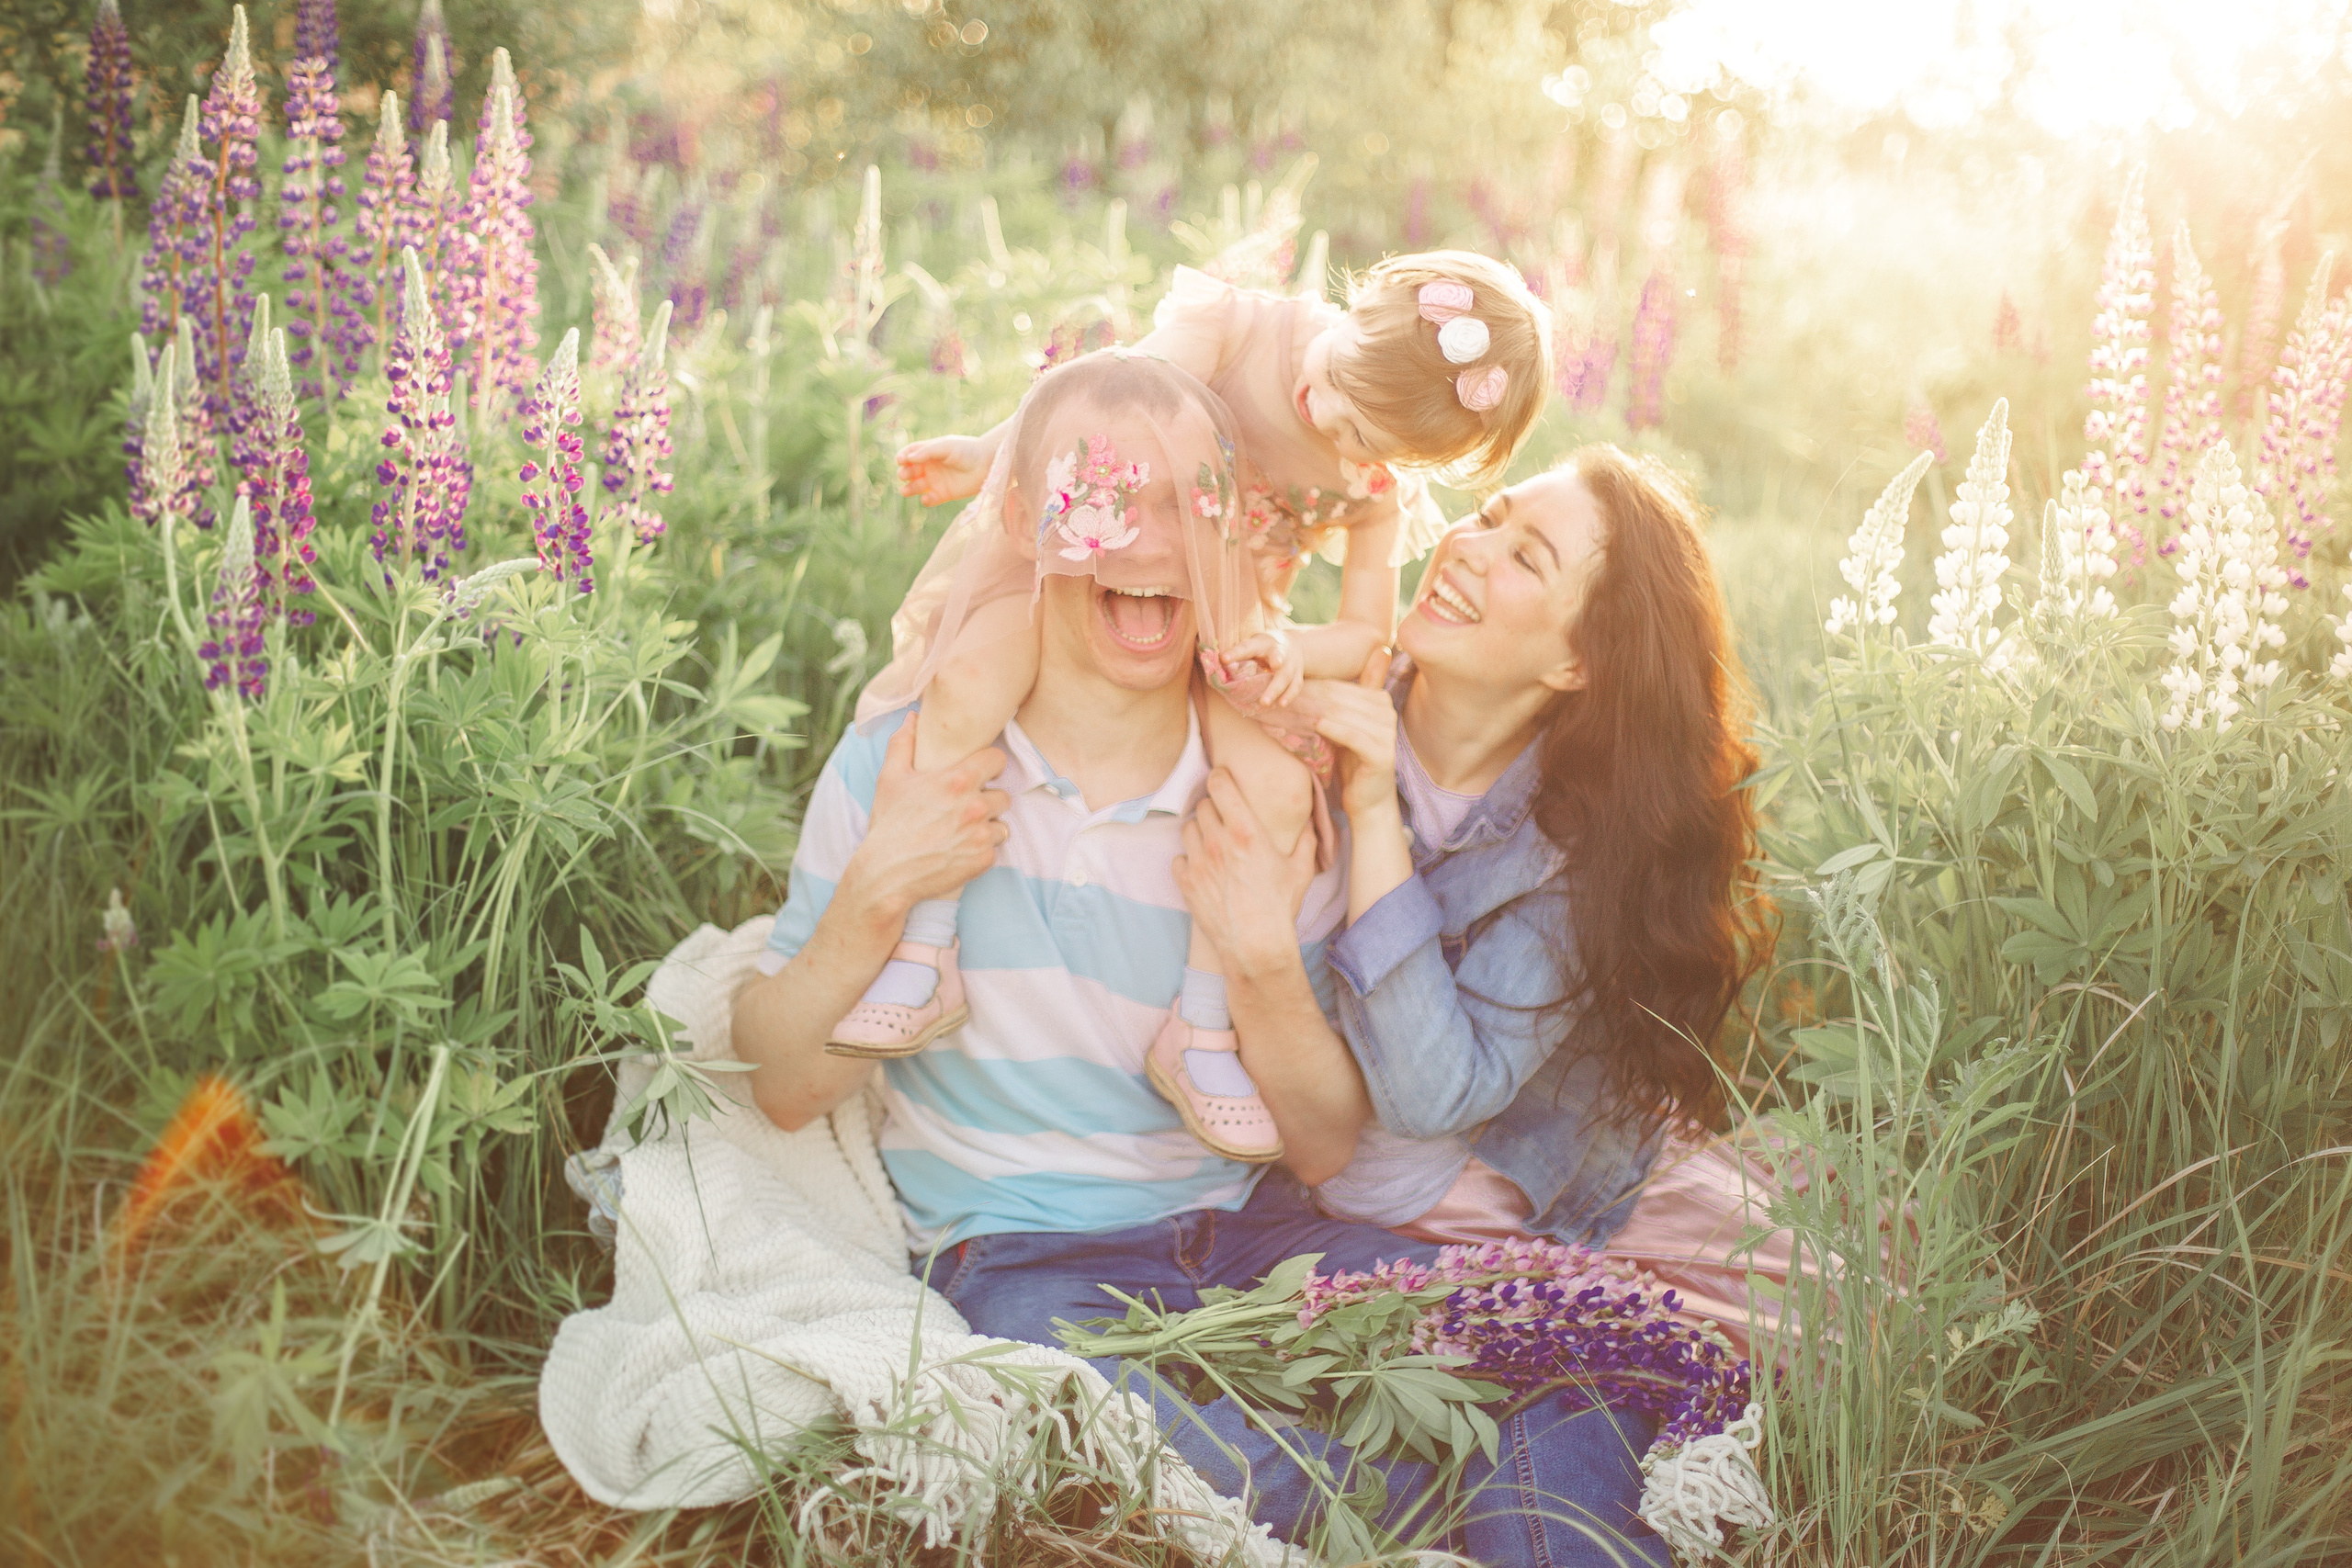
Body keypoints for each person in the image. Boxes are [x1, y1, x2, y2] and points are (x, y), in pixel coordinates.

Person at [733, 355, 1668, 1566]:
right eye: (1107, 496)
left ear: (1244, 542)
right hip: (1022, 1247)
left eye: (1194, 505)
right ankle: (1407, 1505)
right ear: (1025, 520)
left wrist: (1258, 951)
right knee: (1135, 1425)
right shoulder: (906, 764)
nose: (1150, 543)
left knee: (1561, 1336)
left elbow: (1324, 1145)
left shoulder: (1269, 791)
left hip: (1246, 1227)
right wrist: (879, 891)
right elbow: (785, 1083)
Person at [842, 255, 1552, 1174]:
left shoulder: (1372, 489)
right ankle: (925, 949)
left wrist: (1290, 652)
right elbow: (1090, 402)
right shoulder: (1232, 328)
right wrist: (989, 452)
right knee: (970, 680)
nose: (1332, 426)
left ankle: (1200, 1029)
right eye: (1338, 386)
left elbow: (1363, 635)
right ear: (1356, 307)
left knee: (1273, 793)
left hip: (1218, 635)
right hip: (1098, 574)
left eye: (1373, 442)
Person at [1193, 446, 1793, 1360]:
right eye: (1488, 517)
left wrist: (1369, 812)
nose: (1470, 548)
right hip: (1287, 1177)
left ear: (1575, 665)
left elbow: (1433, 1096)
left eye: (1525, 557)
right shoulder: (1314, 706)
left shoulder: (1577, 852)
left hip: (1483, 1190)